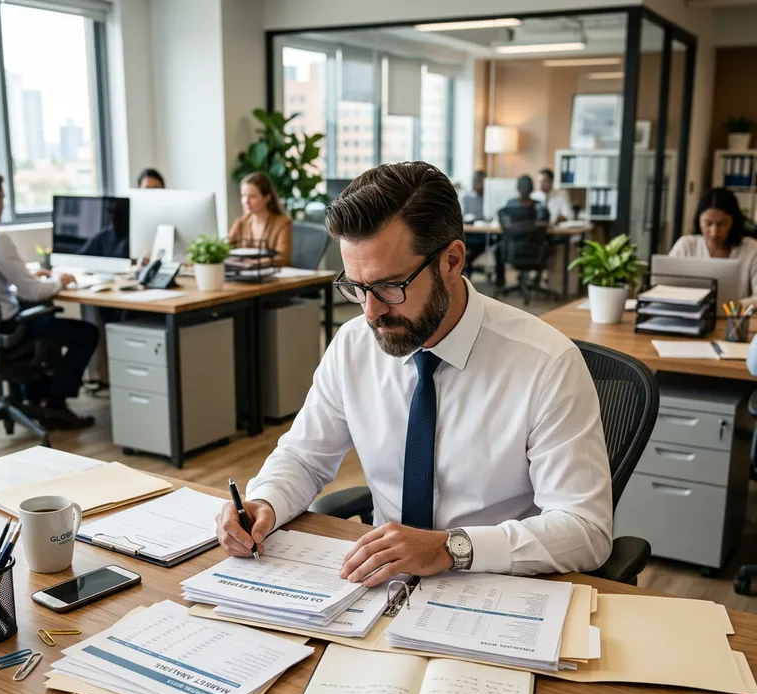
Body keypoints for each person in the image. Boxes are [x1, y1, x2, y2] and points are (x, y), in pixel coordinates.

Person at [215, 161, 613, 584]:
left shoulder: (546, 364)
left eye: (390, 286)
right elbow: (303, 457)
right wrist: (265, 502)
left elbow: (585, 529)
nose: (371, 313)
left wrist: (449, 548)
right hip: (383, 586)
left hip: (500, 588)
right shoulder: (353, 345)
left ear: (452, 261)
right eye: (357, 287)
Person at [0, 171, 98, 429]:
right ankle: (55, 402)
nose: (3, 203)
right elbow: (32, 292)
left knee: (43, 314)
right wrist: (60, 281)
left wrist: (29, 276)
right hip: (7, 331)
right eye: (3, 197)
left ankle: (31, 395)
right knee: (87, 333)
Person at [669, 187, 757, 301]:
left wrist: (734, 306)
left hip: (734, 316)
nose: (714, 232)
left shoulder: (751, 249)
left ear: (733, 222)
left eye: (722, 224)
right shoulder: (686, 245)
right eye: (708, 223)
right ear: (698, 221)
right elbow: (663, 289)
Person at [228, 173, 292, 267]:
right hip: (246, 276)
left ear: (267, 197)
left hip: (276, 277)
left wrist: (255, 263)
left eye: (252, 196)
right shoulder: (241, 222)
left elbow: (283, 258)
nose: (246, 201)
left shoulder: (282, 223)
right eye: (243, 196)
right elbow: (225, 249)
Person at [460, 170, 488, 282]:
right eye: (481, 182)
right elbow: (461, 215)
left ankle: (467, 262)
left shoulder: (488, 198)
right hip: (469, 231)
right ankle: (466, 264)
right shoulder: (466, 197)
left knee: (493, 241)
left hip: (484, 233)